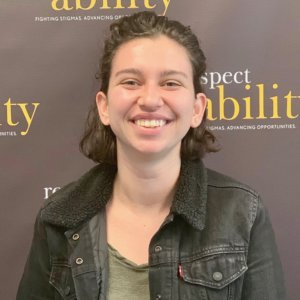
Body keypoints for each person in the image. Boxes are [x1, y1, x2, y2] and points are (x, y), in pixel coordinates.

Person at [17, 11, 286, 300]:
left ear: (197, 109)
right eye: (131, 82)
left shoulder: (243, 214)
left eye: (170, 83)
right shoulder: (59, 218)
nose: (150, 100)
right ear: (104, 106)